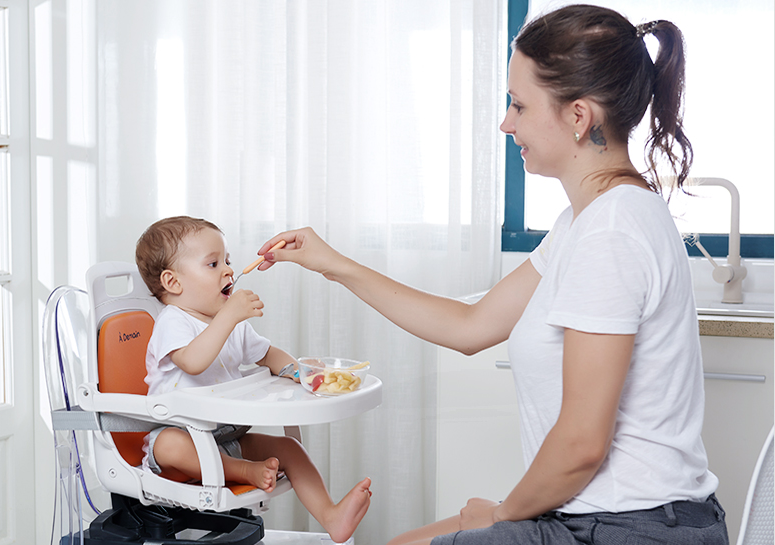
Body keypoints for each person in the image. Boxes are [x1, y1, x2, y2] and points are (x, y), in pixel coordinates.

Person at [253, 4, 729, 545]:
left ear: (578, 117)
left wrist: (504, 514)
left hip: (627, 528)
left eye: (519, 105)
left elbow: (580, 445)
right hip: (598, 517)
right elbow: (470, 326)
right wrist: (334, 264)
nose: (506, 123)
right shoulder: (585, 222)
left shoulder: (612, 232)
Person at [135, 216, 372, 543]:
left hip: (228, 435)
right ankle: (241, 470)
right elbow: (192, 361)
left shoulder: (228, 322)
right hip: (184, 435)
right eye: (214, 263)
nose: (229, 270)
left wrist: (299, 372)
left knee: (289, 448)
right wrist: (230, 316)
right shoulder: (172, 322)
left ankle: (331, 515)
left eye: (228, 260)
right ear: (173, 282)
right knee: (169, 445)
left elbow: (267, 354)